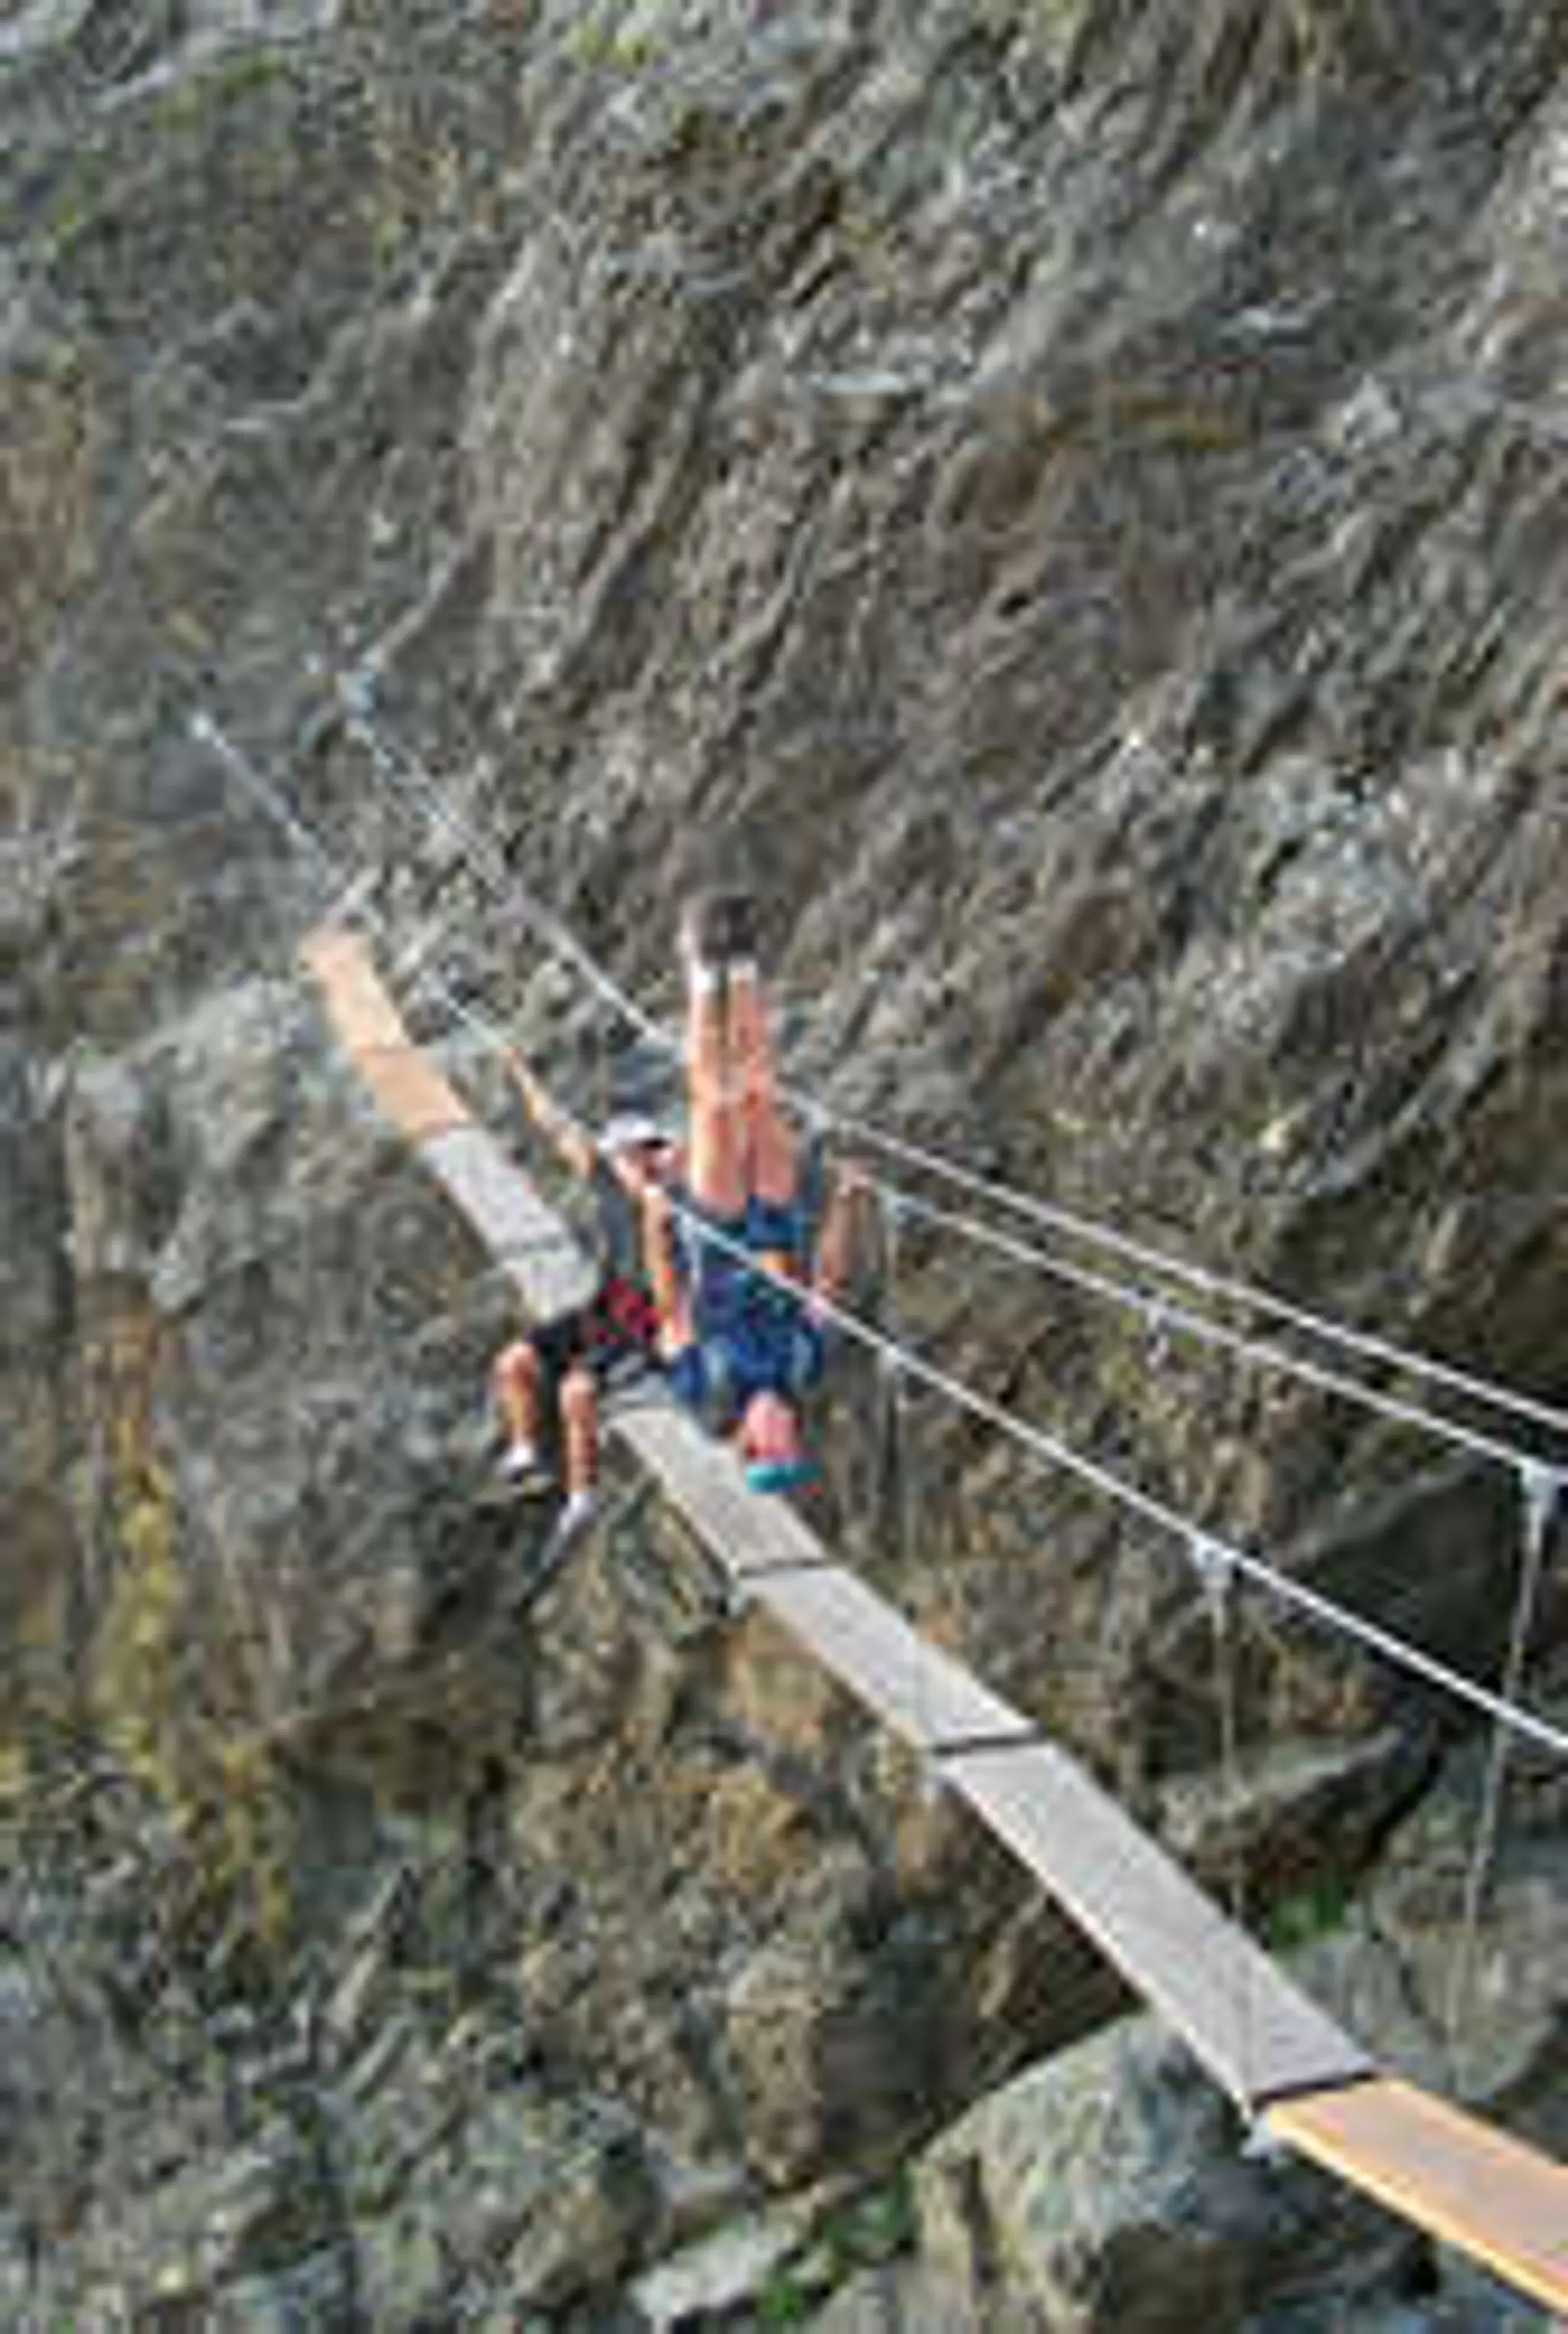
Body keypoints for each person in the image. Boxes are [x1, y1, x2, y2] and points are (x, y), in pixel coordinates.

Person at [639, 890, 863, 1491]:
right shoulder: (801, 1367)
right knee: (760, 1094)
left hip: (714, 1235)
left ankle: (699, 976)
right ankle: (740, 969)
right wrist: (844, 1205)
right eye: (793, 1442)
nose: (788, 1432)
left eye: (775, 1445)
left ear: (749, 1443)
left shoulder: (706, 1390)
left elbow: (670, 1309)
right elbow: (827, 1284)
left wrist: (654, 1220)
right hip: (775, 1223)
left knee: (715, 1102)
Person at [490, 1048, 678, 1538]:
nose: (633, 1164)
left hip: (646, 1326)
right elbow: (557, 1129)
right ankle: (526, 1450)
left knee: (577, 1393)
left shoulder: (680, 1207)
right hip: (605, 1307)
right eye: (629, 1156)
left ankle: (581, 1496)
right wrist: (520, 1073)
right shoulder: (611, 1186)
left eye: (642, 1154)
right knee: (514, 1362)